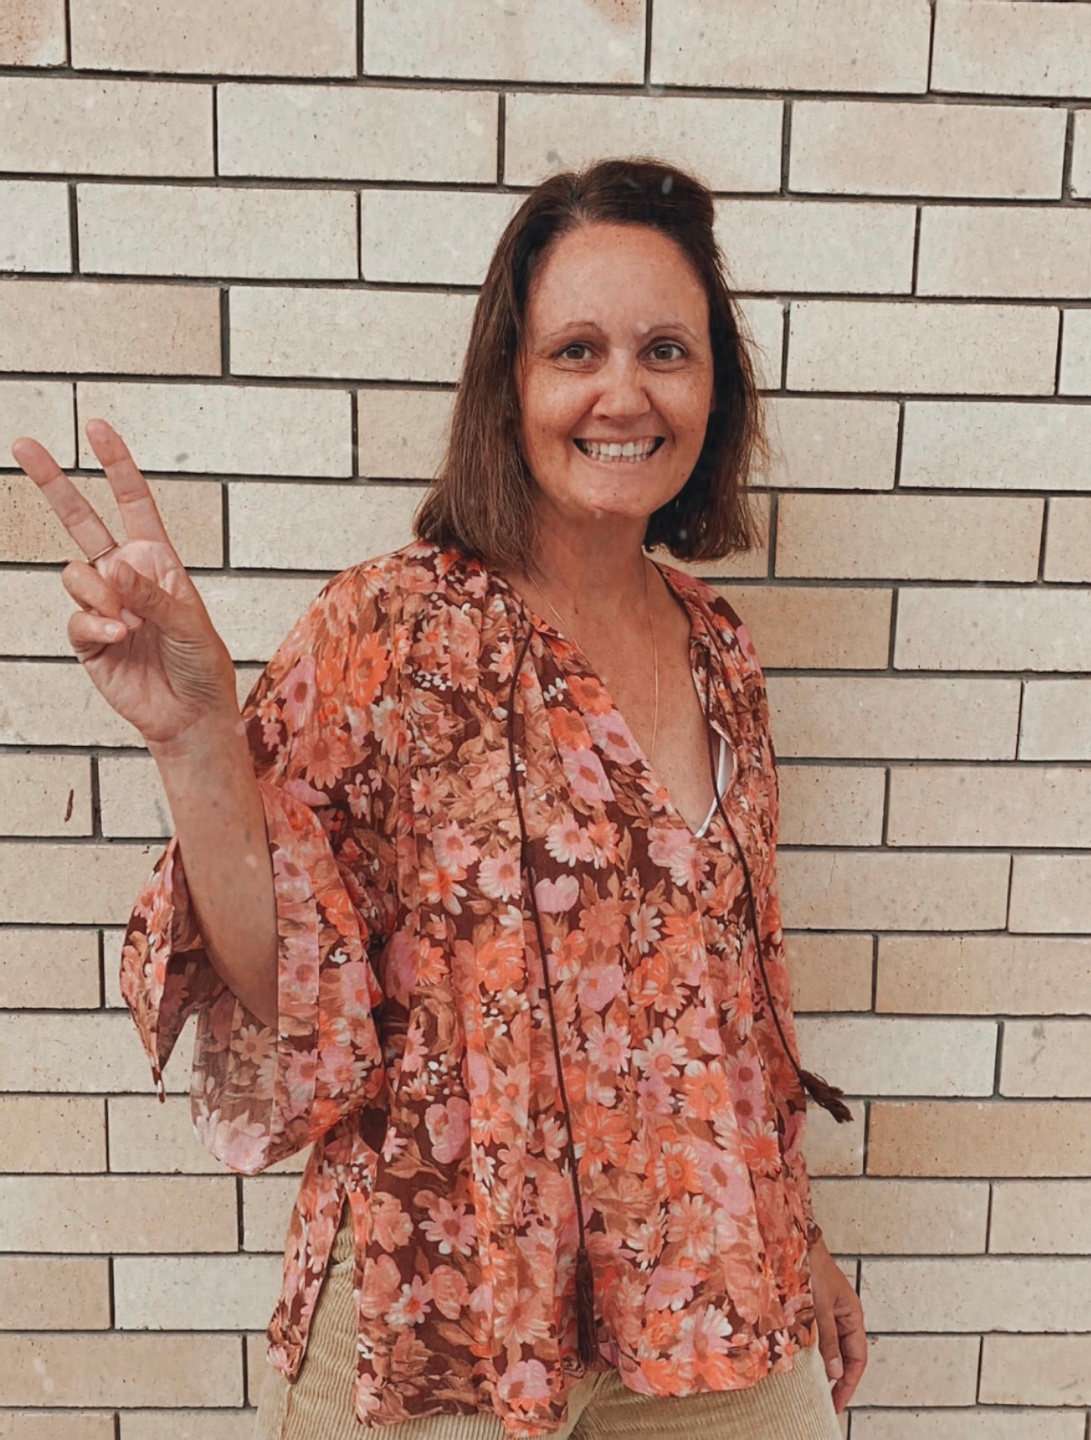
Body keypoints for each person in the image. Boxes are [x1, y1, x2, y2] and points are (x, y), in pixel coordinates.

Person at [12, 158, 867, 1440]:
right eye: (574, 350)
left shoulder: (720, 652)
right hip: (439, 1311)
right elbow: (282, 986)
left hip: (709, 1294)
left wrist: (804, 1237)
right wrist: (193, 738)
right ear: (508, 384)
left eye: (666, 351)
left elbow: (732, 1000)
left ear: (715, 388)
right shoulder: (392, 628)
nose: (623, 393)